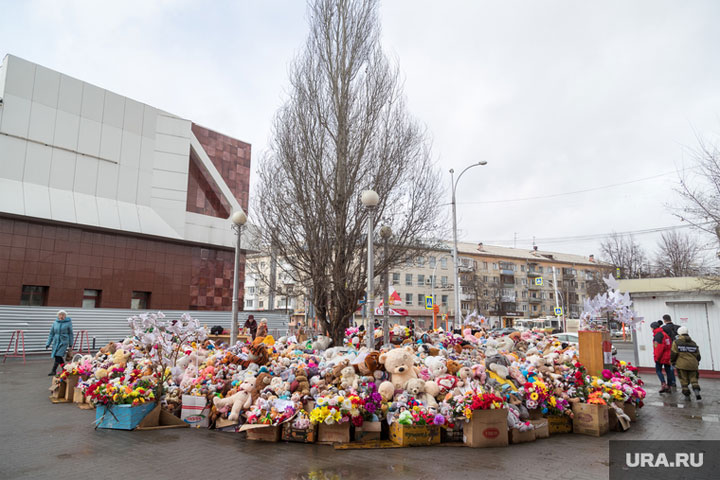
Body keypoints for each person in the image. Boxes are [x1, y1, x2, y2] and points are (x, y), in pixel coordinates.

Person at [671, 326, 702, 400]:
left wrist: (673, 362)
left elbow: (674, 353)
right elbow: (698, 356)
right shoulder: (693, 343)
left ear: (679, 333)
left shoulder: (676, 342)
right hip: (693, 365)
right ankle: (697, 392)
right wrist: (696, 362)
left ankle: (687, 396)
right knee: (694, 379)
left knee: (683, 380)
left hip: (682, 365)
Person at [45, 310, 73, 376]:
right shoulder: (55, 323)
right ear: (58, 315)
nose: (61, 316)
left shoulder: (68, 323)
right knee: (58, 356)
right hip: (56, 341)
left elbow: (70, 334)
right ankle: (64, 369)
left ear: (65, 316)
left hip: (64, 341)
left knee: (58, 355)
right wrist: (48, 343)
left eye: (63, 315)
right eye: (60, 314)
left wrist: (70, 344)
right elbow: (51, 334)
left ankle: (53, 370)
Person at [651, 320, 674, 393]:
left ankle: (663, 384)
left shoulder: (658, 335)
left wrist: (657, 357)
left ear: (653, 328)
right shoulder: (665, 334)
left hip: (661, 357)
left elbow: (659, 348)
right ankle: (669, 386)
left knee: (658, 370)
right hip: (667, 356)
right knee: (668, 371)